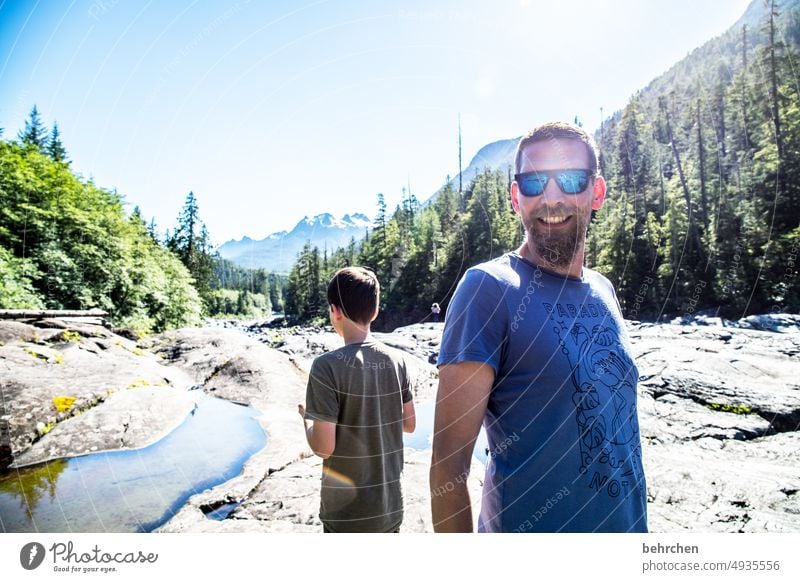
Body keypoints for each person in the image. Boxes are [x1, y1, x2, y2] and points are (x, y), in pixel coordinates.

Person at [430, 121, 648, 533]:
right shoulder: (488, 289)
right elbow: (447, 469)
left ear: (596, 192)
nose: (551, 198)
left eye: (570, 179)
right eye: (533, 183)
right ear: (515, 198)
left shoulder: (604, 290)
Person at [299, 266, 416, 532]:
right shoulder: (397, 361)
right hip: (390, 508)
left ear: (335, 311)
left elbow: (323, 448)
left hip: (346, 516)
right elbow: (409, 424)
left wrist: (307, 420)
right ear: (374, 311)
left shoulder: (325, 367)